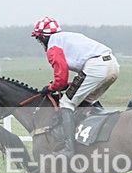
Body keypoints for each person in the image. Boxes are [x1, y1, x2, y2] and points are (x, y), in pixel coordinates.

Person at [32, 17, 120, 158]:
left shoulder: (53, 47)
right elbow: (76, 80)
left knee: (66, 104)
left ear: (43, 38)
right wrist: (66, 85)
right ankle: (98, 140)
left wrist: (50, 88)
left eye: (39, 39)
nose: (40, 43)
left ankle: (69, 150)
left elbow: (60, 80)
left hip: (96, 67)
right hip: (113, 65)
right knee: (87, 101)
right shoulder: (68, 37)